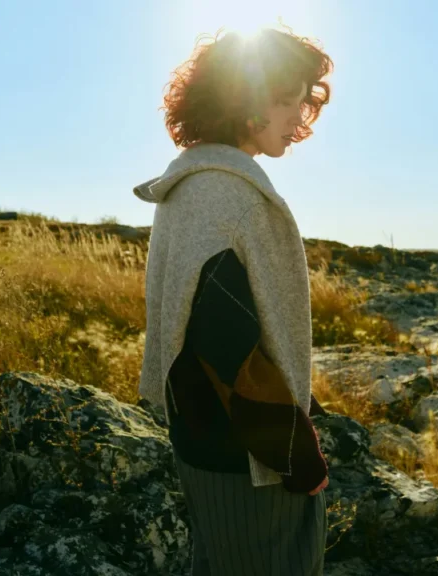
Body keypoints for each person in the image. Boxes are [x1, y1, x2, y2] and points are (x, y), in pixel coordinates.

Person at [133, 25, 334, 576]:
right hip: (244, 459)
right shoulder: (224, 194)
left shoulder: (194, 184)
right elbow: (225, 343)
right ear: (247, 105)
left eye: (304, 102)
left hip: (206, 442)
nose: (300, 118)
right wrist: (296, 454)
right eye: (287, 101)